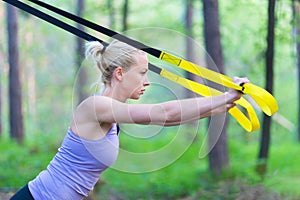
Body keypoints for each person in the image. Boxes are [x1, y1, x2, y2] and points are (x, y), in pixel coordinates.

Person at [10, 40, 249, 200]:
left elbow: (172, 119)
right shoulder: (96, 107)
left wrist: (226, 103)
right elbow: (163, 114)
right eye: (143, 73)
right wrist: (224, 97)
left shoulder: (112, 111)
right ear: (120, 73)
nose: (147, 81)